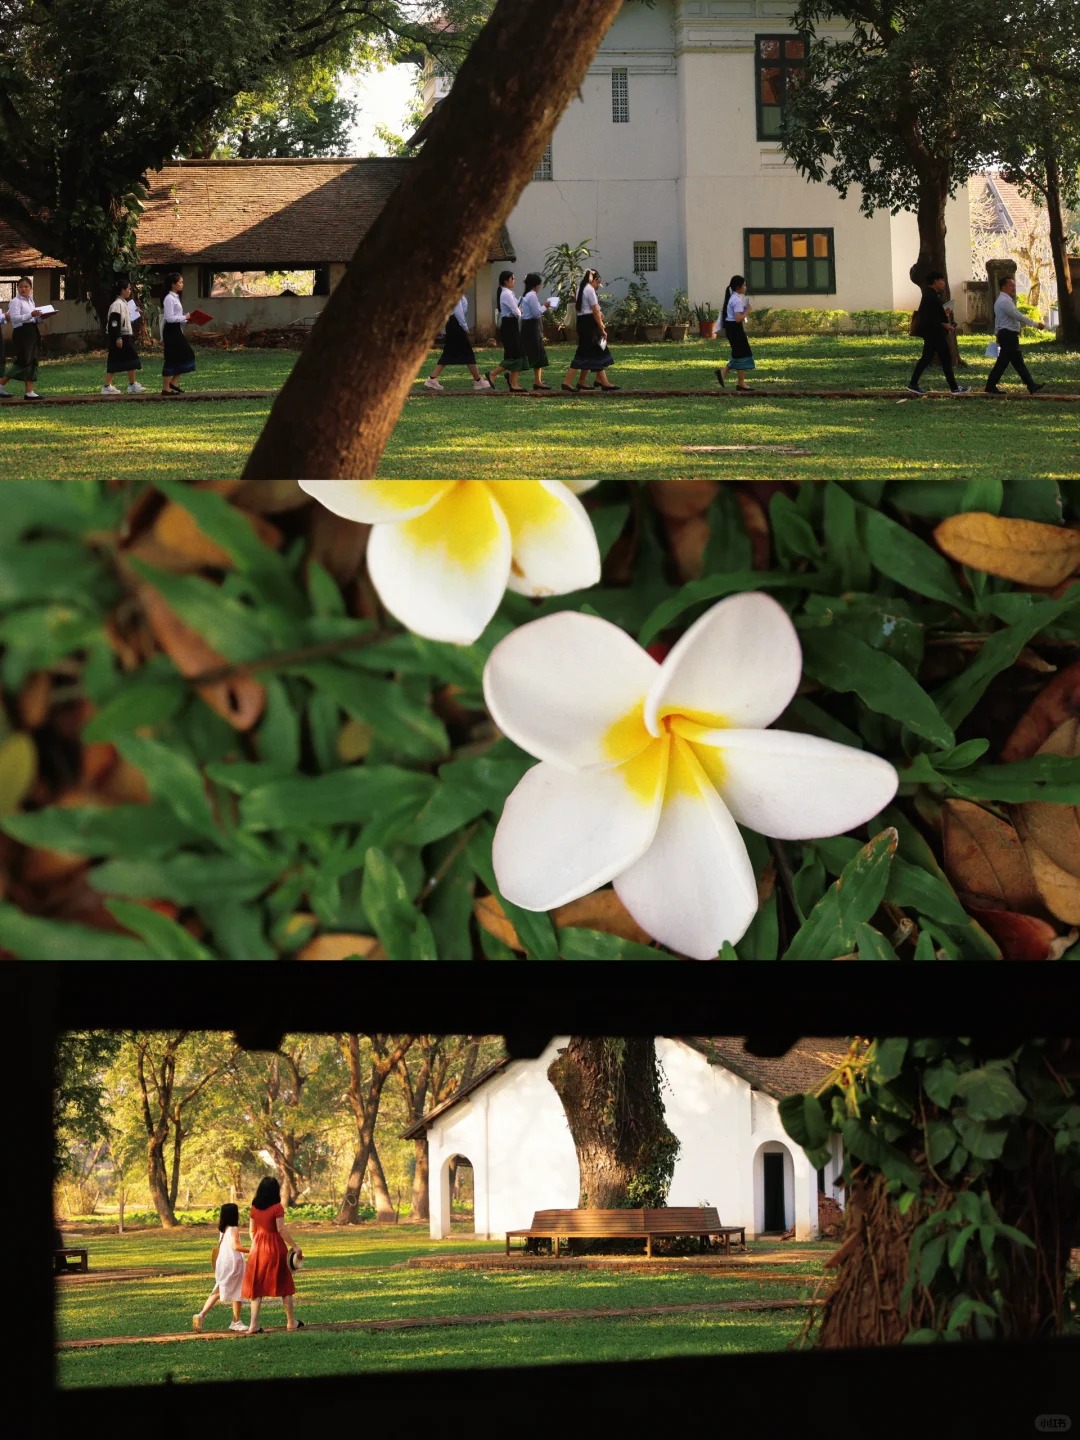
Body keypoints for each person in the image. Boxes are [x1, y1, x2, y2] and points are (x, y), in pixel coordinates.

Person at [242, 1176, 304, 1334]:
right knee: (285, 1285)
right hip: (275, 1248)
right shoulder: (277, 1207)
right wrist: (295, 1246)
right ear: (275, 1191)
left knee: (257, 1287)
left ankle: (253, 1325)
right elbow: (281, 1230)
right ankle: (291, 1322)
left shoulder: (254, 1208)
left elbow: (251, 1231)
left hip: (257, 1250)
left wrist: (258, 1243)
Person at [906, 272, 969, 395]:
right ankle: (954, 388)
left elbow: (933, 315)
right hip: (935, 334)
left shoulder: (931, 295)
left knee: (927, 358)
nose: (944, 283)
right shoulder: (931, 296)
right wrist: (943, 324)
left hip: (933, 333)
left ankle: (913, 383)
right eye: (942, 281)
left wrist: (943, 318)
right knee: (945, 358)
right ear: (935, 281)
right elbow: (928, 318)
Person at [984, 275, 1046, 394]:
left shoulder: (1004, 300)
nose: (1014, 287)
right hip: (1008, 336)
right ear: (1003, 287)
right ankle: (991, 386)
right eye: (1011, 285)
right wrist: (1036, 324)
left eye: (1014, 285)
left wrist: (997, 334)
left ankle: (1031, 385)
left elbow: (999, 320)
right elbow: (1018, 316)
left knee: (1013, 362)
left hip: (1007, 335)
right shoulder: (1004, 301)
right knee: (1006, 362)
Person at [193, 1203, 248, 1333]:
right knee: (238, 1291)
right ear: (235, 1215)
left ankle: (201, 1314)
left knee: (217, 1290)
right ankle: (236, 1321)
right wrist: (252, 1250)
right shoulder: (234, 1228)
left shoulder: (223, 1230)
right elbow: (236, 1246)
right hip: (234, 1263)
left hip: (222, 1263)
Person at [562, 269, 619, 391]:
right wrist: (602, 327)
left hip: (583, 322)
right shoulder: (590, 290)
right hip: (590, 324)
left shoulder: (581, 288)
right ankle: (568, 382)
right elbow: (595, 310)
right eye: (598, 283)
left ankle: (585, 381)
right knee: (592, 351)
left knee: (594, 349)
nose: (598, 286)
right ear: (596, 279)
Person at [423, 295, 492, 391]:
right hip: (456, 325)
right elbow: (458, 313)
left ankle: (432, 379)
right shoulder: (456, 294)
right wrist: (465, 327)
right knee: (467, 353)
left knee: (450, 353)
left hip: (453, 325)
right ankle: (478, 381)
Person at [101, 279, 147, 395]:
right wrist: (118, 337)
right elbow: (114, 323)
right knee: (121, 359)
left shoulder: (124, 304)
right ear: (123, 290)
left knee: (127, 359)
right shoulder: (117, 305)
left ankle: (131, 385)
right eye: (129, 289)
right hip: (120, 336)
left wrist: (133, 311)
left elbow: (125, 319)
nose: (130, 291)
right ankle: (107, 387)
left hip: (125, 335)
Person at [486, 271, 527, 392]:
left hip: (511, 325)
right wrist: (520, 312)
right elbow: (516, 311)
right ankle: (493, 374)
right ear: (506, 281)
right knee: (515, 355)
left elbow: (517, 309)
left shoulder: (508, 293)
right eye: (512, 278)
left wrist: (519, 310)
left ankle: (513, 383)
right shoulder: (506, 294)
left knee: (517, 354)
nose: (514, 280)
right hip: (509, 326)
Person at [6, 275, 46, 399]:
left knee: (33, 360)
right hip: (21, 333)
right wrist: (30, 314)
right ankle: (1, 383)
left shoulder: (31, 300)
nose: (23, 289)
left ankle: (29, 391)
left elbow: (33, 318)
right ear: (17, 288)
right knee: (23, 360)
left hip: (32, 331)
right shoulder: (15, 302)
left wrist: (40, 317)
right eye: (21, 287)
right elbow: (14, 318)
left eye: (26, 286)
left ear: (31, 288)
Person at [716, 275, 755, 392]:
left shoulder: (733, 298)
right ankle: (726, 373)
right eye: (744, 285)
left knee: (739, 353)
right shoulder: (736, 300)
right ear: (738, 287)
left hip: (732, 328)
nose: (746, 287)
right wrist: (747, 312)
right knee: (742, 353)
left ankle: (739, 381)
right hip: (735, 329)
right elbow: (738, 318)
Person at [160, 272, 197, 396]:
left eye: (182, 282)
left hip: (176, 329)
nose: (182, 285)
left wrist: (186, 320)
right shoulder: (169, 298)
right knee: (171, 357)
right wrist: (184, 317)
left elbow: (177, 318)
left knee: (186, 355)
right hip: (171, 331)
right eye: (180, 282)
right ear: (173, 284)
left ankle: (174, 382)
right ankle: (166, 388)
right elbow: (170, 318)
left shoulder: (175, 297)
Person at [519, 272, 558, 390]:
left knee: (532, 353)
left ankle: (538, 380)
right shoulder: (532, 295)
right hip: (532, 327)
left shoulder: (526, 295)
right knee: (536, 353)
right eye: (540, 285)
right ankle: (535, 380)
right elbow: (536, 313)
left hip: (528, 326)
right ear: (536, 285)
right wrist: (545, 306)